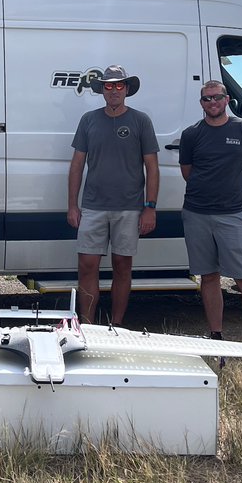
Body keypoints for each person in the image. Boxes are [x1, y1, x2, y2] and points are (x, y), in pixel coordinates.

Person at [178, 80, 242, 346]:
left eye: (216, 97)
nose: (212, 103)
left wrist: (234, 191)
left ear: (227, 99)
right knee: (209, 277)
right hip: (196, 214)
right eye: (206, 99)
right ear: (201, 103)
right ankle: (216, 335)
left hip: (232, 215)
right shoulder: (191, 134)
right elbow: (188, 173)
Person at [66, 65, 159, 325]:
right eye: (109, 86)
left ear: (127, 89)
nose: (114, 90)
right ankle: (86, 325)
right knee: (86, 266)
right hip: (93, 206)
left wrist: (150, 206)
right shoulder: (89, 120)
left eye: (119, 85)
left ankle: (116, 325)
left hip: (130, 208)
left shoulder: (141, 121)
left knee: (122, 266)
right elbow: (76, 165)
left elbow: (152, 166)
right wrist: (72, 205)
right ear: (102, 90)